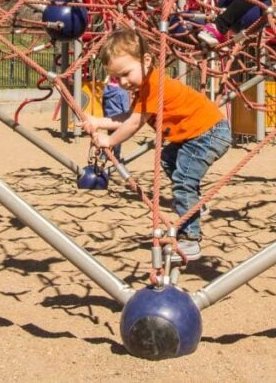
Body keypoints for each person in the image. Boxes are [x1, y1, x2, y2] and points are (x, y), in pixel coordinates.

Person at [80, 28, 232, 260]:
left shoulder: (154, 84)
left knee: (184, 180)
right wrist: (97, 121)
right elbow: (127, 116)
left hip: (208, 132)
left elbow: (133, 124)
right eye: (116, 78)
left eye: (126, 73)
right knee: (168, 158)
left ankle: (191, 240)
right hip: (196, 134)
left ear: (146, 60)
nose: (122, 82)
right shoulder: (145, 87)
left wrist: (109, 141)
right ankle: (193, 207)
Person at [101, 77, 130, 160]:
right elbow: (125, 107)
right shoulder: (122, 92)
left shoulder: (106, 90)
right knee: (118, 137)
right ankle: (116, 156)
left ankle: (105, 154)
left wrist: (105, 115)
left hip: (109, 117)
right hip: (119, 118)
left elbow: (103, 104)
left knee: (109, 135)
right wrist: (127, 117)